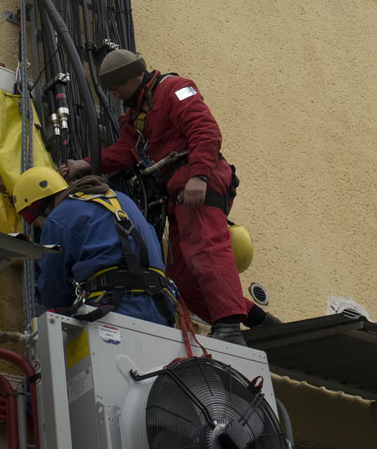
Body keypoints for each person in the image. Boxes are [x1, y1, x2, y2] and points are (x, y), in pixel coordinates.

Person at [60, 49, 276, 345]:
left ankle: (228, 325)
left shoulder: (175, 89)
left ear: (135, 76)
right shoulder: (136, 116)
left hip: (199, 179)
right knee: (180, 278)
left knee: (206, 249)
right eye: (111, 88)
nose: (114, 93)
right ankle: (257, 321)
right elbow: (126, 152)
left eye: (117, 85)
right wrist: (85, 164)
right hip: (177, 191)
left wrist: (199, 175)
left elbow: (206, 130)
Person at [13, 165, 175, 326]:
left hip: (113, 310)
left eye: (37, 224)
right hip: (160, 309)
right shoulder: (123, 199)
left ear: (39, 206)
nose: (41, 229)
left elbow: (54, 290)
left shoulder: (57, 218)